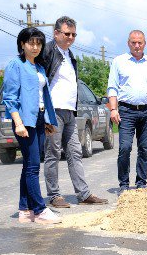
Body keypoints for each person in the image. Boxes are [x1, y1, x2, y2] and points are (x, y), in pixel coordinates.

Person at [41, 16, 108, 208]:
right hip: (53, 112)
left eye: (73, 34)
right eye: (66, 33)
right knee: (53, 153)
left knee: (75, 152)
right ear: (56, 33)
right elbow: (39, 79)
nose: (70, 37)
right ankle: (54, 195)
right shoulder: (47, 51)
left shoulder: (69, 55)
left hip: (70, 111)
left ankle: (84, 194)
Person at [1, 27, 61, 224]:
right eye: (31, 43)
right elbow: (10, 98)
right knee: (33, 166)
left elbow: (42, 96)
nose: (35, 47)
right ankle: (40, 209)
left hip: (39, 119)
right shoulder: (15, 65)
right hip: (24, 121)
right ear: (22, 44)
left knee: (29, 164)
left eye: (38, 43)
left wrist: (47, 120)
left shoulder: (39, 67)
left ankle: (25, 209)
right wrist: (18, 123)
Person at [107, 30, 147, 193]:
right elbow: (112, 87)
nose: (137, 46)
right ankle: (124, 184)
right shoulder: (119, 61)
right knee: (125, 147)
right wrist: (113, 109)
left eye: (140, 42)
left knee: (145, 148)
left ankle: (141, 183)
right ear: (128, 43)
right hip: (126, 110)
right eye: (134, 42)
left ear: (145, 44)